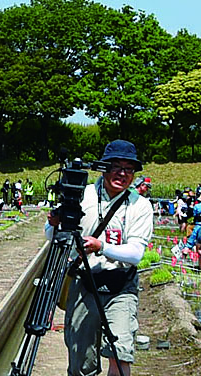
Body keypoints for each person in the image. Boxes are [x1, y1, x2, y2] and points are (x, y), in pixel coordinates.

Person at [47, 139, 153, 376]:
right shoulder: (81, 195)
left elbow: (136, 253)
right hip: (84, 283)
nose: (122, 174)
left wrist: (100, 246)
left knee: (120, 350)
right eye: (116, 167)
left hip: (121, 286)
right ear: (104, 167)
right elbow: (51, 235)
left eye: (128, 169)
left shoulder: (140, 205)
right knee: (81, 360)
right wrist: (53, 222)